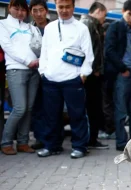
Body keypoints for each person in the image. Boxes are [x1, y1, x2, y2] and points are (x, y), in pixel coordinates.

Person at [37, 0, 94, 159]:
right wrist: (43, 72)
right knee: (51, 115)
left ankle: (80, 147)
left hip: (72, 79)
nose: (64, 10)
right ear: (56, 7)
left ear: (73, 7)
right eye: (60, 7)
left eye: (67, 6)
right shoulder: (49, 28)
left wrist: (83, 75)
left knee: (77, 115)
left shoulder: (81, 28)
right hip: (51, 79)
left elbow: (88, 54)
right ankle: (52, 146)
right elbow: (45, 52)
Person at [0, 0, 41, 155]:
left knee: (29, 109)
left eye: (23, 10)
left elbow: (40, 45)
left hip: (34, 71)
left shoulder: (30, 27)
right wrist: (27, 61)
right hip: (16, 70)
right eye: (16, 9)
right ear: (10, 8)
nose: (19, 12)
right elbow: (8, 47)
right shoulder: (3, 25)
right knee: (19, 108)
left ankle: (23, 142)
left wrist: (39, 62)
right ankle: (6, 142)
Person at [104, 0, 131, 151]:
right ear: (123, 12)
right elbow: (109, 51)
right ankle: (121, 143)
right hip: (122, 74)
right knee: (121, 110)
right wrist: (122, 69)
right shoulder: (115, 27)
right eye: (129, 14)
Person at [80, 2, 109, 150]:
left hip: (93, 72)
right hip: (90, 73)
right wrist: (95, 68)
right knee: (92, 106)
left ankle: (92, 138)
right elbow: (88, 50)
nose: (104, 18)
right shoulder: (87, 24)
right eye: (104, 15)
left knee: (95, 106)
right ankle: (90, 139)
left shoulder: (93, 25)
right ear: (98, 11)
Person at [29, 0, 50, 150]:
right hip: (33, 73)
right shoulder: (29, 30)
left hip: (51, 73)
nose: (38, 14)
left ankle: (53, 137)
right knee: (36, 106)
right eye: (34, 11)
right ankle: (39, 138)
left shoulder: (54, 28)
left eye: (40, 10)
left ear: (46, 11)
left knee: (52, 106)